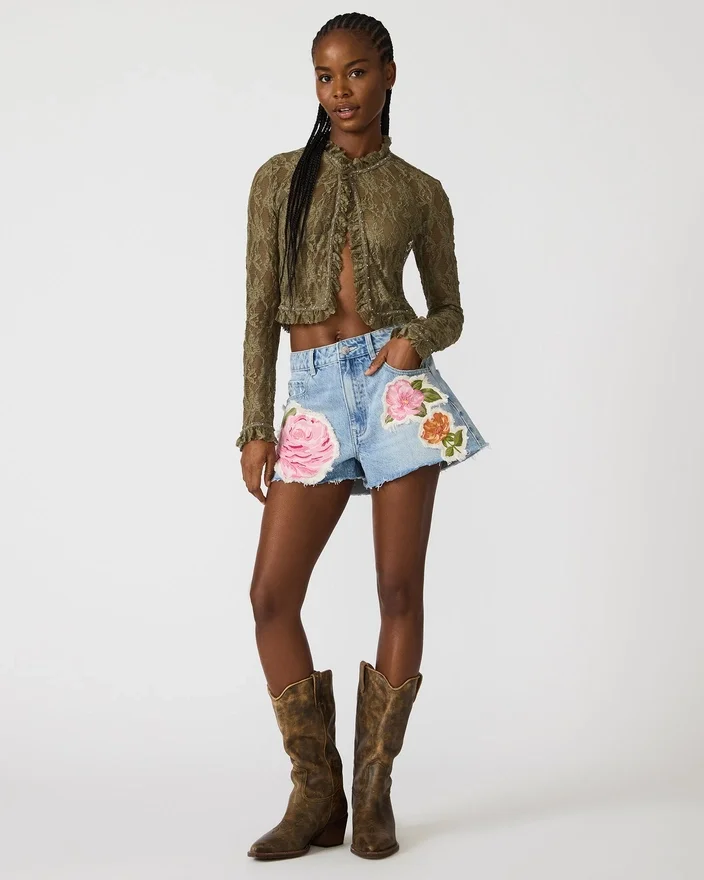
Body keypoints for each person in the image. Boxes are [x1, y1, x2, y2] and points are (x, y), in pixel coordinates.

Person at [236, 12, 489, 861]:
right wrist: (255, 425)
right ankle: (317, 794)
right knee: (271, 596)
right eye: (324, 75)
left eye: (354, 72)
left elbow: (451, 309)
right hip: (313, 396)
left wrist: (417, 337)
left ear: (388, 74)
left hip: (394, 390)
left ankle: (374, 794)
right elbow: (259, 311)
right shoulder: (279, 180)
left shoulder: (419, 191)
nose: (339, 90)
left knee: (398, 589)